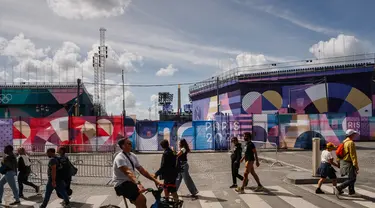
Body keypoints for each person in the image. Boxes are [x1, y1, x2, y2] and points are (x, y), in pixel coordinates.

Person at [113, 138, 162, 208]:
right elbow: (128, 173)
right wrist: (138, 184)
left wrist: (155, 180)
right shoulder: (120, 158)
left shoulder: (132, 155)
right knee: (142, 199)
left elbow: (141, 170)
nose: (131, 145)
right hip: (121, 184)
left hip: (130, 183)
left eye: (131, 143)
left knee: (141, 202)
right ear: (123, 146)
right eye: (129, 143)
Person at [334, 129, 359, 197]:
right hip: (349, 162)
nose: (355, 135)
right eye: (354, 134)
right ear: (351, 135)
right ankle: (339, 188)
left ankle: (351, 191)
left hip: (343, 162)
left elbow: (339, 154)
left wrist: (338, 162)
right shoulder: (350, 142)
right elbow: (353, 155)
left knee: (351, 177)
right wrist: (356, 165)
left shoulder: (344, 142)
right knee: (352, 178)